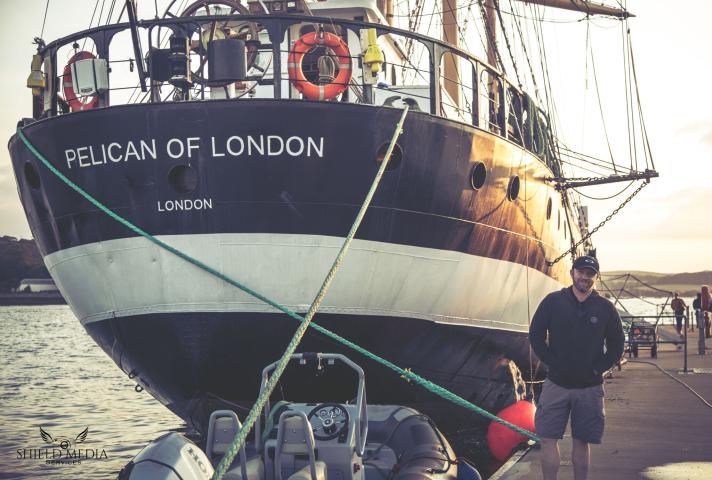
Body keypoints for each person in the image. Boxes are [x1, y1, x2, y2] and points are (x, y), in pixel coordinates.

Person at [529, 255, 624, 480]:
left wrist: (597, 368)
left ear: (595, 278)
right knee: (547, 438)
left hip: (589, 387)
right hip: (556, 383)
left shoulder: (605, 308)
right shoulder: (553, 302)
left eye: (590, 274)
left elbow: (617, 344)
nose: (585, 277)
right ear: (572, 273)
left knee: (581, 441)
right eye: (581, 272)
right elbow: (535, 333)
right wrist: (550, 361)